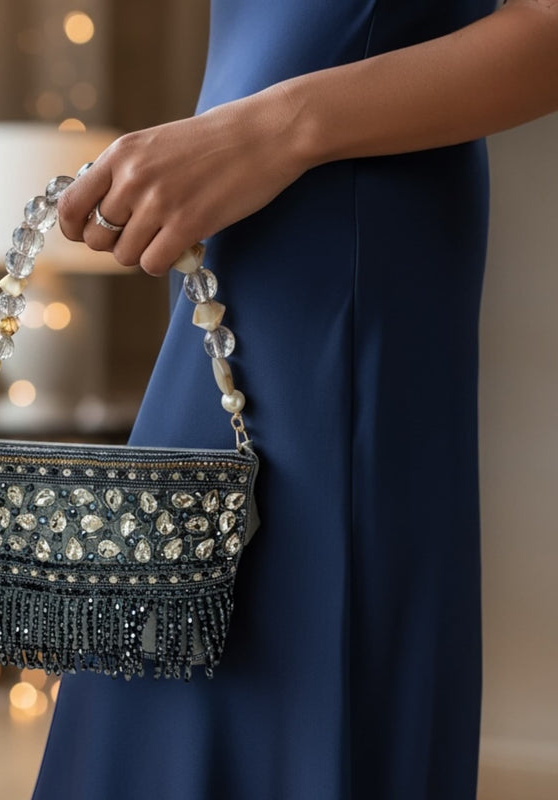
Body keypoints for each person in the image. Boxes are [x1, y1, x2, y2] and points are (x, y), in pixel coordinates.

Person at [32, 2, 558, 798]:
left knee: (256, 679)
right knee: (168, 673)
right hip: (241, 237)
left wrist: (270, 130)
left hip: (340, 241)